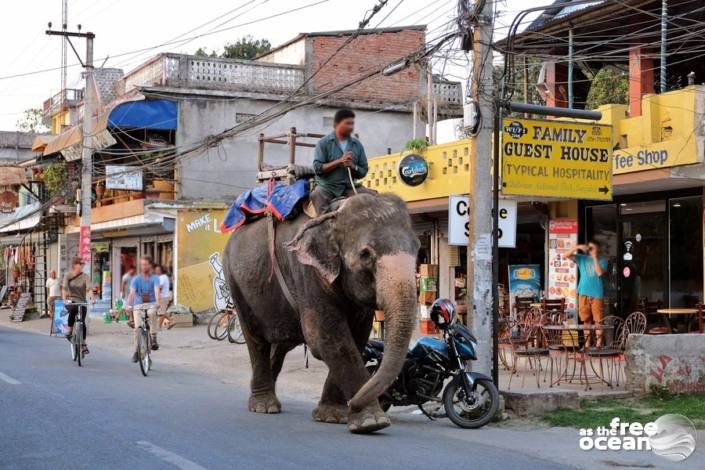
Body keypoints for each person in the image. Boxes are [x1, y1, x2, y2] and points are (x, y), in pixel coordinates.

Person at [310, 108, 373, 214]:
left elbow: (363, 170)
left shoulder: (357, 145)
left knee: (373, 198)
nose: (350, 127)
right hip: (327, 187)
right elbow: (317, 168)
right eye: (347, 123)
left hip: (349, 187)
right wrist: (339, 161)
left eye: (352, 124)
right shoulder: (323, 143)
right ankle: (324, 226)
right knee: (317, 194)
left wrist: (353, 166)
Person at [568, 240, 608, 347]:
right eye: (589, 248)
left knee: (598, 321)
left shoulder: (603, 261)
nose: (591, 250)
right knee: (586, 321)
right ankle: (587, 345)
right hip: (583, 292)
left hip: (597, 294)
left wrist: (594, 257)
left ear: (598, 249)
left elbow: (599, 273)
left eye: (593, 248)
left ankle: (598, 346)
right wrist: (578, 246)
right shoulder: (582, 258)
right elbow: (566, 255)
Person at [127, 255, 161, 362]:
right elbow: (132, 293)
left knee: (152, 313)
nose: (143, 267)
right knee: (137, 328)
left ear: (150, 266)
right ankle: (137, 351)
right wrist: (128, 305)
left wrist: (158, 302)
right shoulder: (136, 279)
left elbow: (157, 291)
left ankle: (154, 338)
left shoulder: (155, 278)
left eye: (146, 264)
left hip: (151, 304)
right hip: (138, 306)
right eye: (142, 264)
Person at [62, 257, 93, 355]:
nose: (81, 266)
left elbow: (89, 289)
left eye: (82, 264)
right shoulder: (68, 275)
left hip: (82, 301)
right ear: (75, 265)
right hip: (71, 300)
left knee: (82, 322)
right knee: (73, 310)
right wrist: (64, 299)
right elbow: (64, 288)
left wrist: (92, 297)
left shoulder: (85, 277)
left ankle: (83, 343)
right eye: (80, 264)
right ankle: (70, 329)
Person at [154, 264, 173, 330]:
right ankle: (172, 320)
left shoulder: (161, 277)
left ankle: (159, 327)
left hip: (163, 297)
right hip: (165, 296)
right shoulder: (165, 276)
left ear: (161, 270)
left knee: (161, 313)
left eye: (158, 270)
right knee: (162, 312)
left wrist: (156, 295)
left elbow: (160, 287)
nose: (156, 271)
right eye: (156, 270)